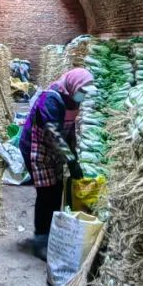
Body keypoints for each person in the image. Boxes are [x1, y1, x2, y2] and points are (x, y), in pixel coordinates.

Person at [18, 68, 93, 260]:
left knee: (57, 189)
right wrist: (71, 160)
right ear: (73, 85)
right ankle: (40, 240)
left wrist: (74, 155)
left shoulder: (71, 101)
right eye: (81, 90)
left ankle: (52, 235)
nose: (82, 95)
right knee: (46, 193)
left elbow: (69, 132)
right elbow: (54, 134)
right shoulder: (50, 99)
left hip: (55, 151)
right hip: (37, 148)